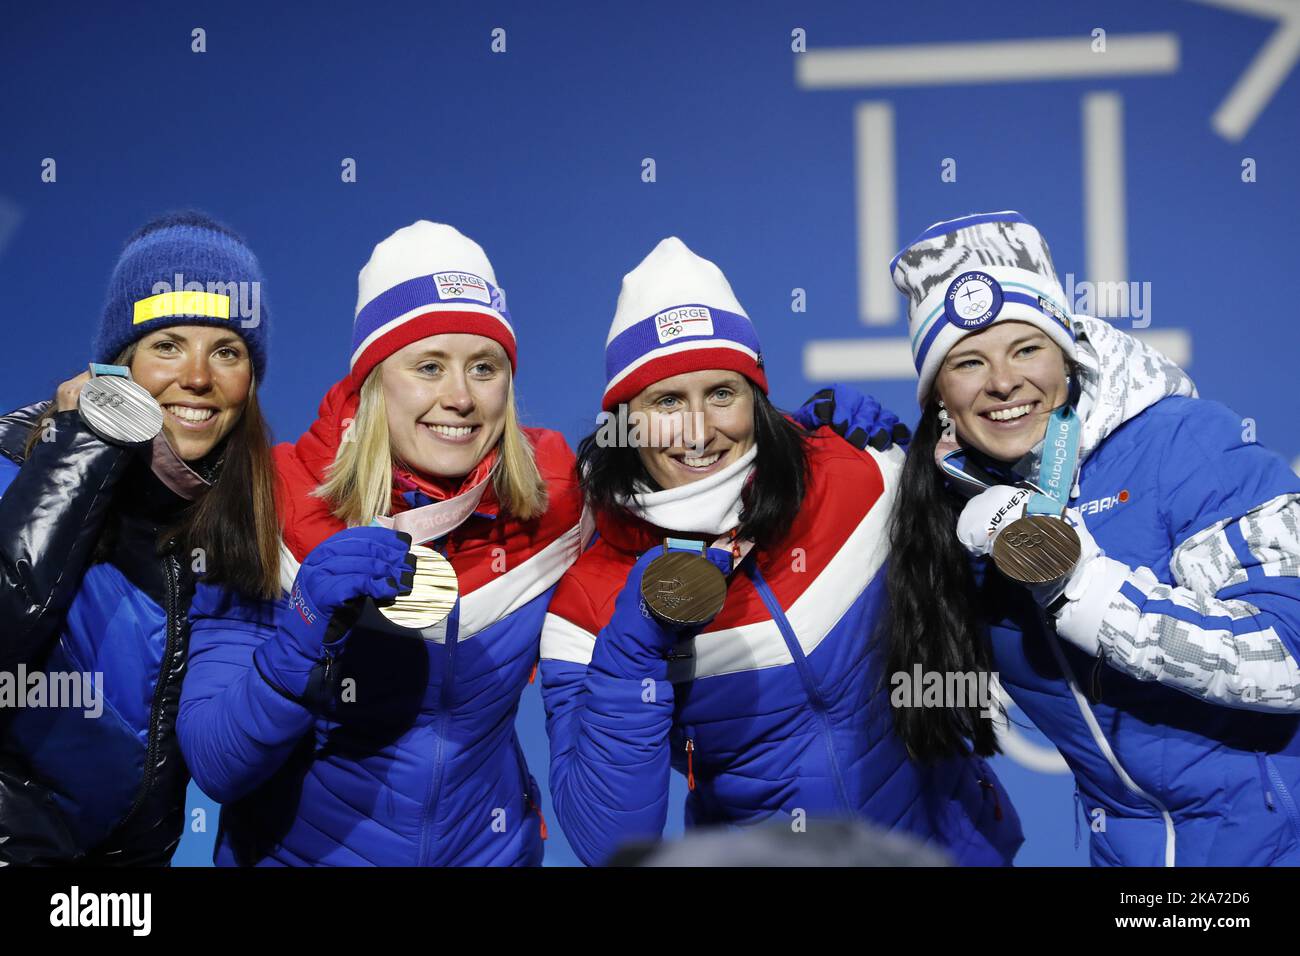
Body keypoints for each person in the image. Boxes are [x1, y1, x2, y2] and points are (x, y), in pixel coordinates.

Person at [539, 237, 1024, 866]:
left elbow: (987, 572)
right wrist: (635, 644)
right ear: (624, 420)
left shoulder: (855, 473)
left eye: (721, 393)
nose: (697, 429)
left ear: (756, 399)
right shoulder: (589, 602)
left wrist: (904, 450)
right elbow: (605, 839)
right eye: (666, 402)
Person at [885, 209, 1300, 866]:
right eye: (967, 361)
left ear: (1067, 351)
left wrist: (1076, 585)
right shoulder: (946, 516)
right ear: (939, 392)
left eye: (1027, 348)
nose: (1003, 382)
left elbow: (1288, 662)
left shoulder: (1182, 443)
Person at [0, 212, 280, 865]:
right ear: (118, 362)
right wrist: (85, 443)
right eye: (167, 345)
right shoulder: (16, 462)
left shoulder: (234, 537)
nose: (199, 378)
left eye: (228, 351)